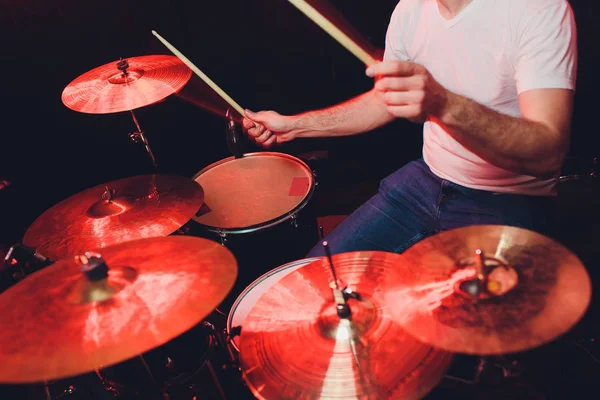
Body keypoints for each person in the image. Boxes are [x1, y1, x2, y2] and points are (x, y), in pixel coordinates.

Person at [242, 0, 577, 258]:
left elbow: (548, 152)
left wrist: (444, 104)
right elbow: (384, 101)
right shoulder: (410, 10)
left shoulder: (538, 9)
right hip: (424, 182)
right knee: (316, 284)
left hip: (507, 199)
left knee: (452, 331)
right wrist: (295, 127)